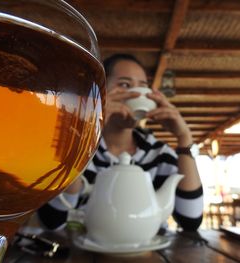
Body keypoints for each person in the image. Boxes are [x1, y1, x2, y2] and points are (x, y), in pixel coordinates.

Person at [37, 53, 203, 232]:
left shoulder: (160, 153)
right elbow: (53, 219)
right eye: (125, 85)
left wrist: (184, 137)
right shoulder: (77, 146)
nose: (137, 93)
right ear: (101, 92)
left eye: (143, 87)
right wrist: (90, 128)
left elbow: (190, 220)